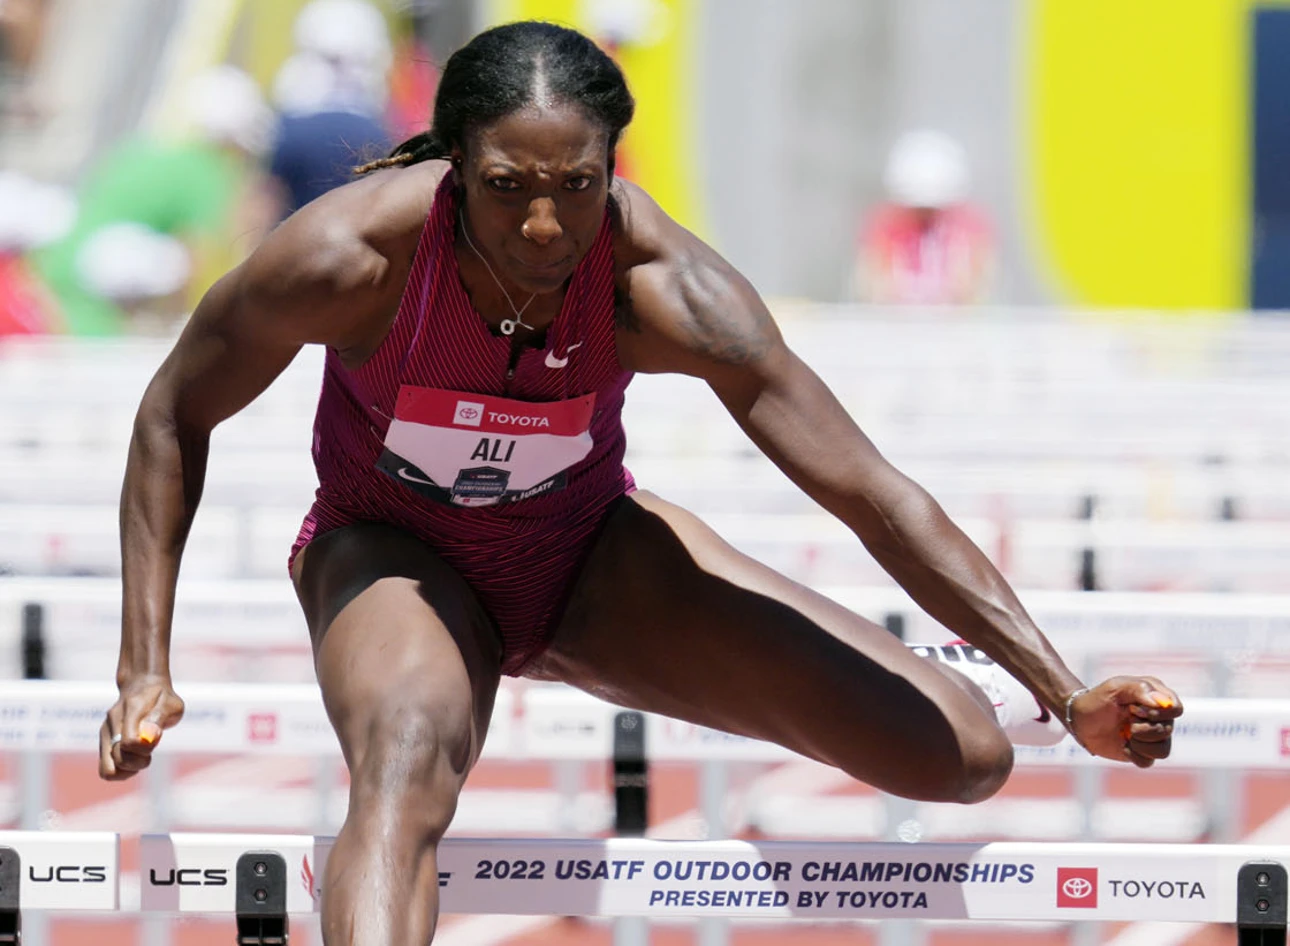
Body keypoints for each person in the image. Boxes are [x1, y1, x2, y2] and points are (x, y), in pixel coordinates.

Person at [98, 21, 1183, 946]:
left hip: (587, 558)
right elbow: (170, 413)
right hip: (394, 558)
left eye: (575, 188)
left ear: (612, 169)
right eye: (507, 189)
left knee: (966, 760)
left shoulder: (663, 286)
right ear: (451, 164)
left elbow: (870, 491)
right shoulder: (349, 261)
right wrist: (143, 662)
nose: (542, 226)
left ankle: (937, 667)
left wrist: (1059, 682)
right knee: (407, 750)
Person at [855, 129, 995, 305]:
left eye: (933, 208)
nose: (926, 215)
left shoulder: (970, 230)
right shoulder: (884, 228)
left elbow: (978, 285)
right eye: (918, 208)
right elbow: (872, 283)